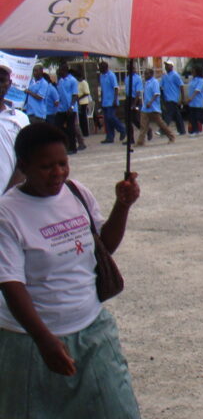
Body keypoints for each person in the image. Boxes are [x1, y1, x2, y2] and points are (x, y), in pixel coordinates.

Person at [0, 122, 141, 418]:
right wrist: (43, 339)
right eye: (46, 166)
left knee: (117, 409)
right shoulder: (7, 213)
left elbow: (103, 249)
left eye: (63, 163)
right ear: (24, 165)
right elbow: (11, 283)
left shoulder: (76, 193)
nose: (58, 173)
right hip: (29, 340)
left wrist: (122, 206)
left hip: (91, 329)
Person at [0, 61, 29, 191]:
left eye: (1, 80)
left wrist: (7, 199)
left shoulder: (20, 119)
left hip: (11, 201)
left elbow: (26, 160)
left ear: (9, 84)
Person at [136, 68, 175, 147]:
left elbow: (156, 93)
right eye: (144, 73)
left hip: (153, 107)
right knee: (143, 125)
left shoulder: (155, 82)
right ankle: (140, 141)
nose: (145, 75)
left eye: (146, 74)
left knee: (160, 123)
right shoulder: (146, 83)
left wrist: (150, 102)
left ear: (151, 74)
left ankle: (171, 136)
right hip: (145, 108)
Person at [55, 64, 82, 154]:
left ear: (65, 70)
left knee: (71, 129)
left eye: (60, 70)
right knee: (58, 127)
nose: (59, 72)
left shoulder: (72, 80)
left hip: (70, 108)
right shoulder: (60, 80)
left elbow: (75, 95)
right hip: (61, 108)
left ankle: (73, 148)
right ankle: (64, 146)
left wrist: (72, 106)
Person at [97, 62, 126, 144]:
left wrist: (115, 100)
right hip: (105, 101)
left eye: (100, 67)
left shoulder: (111, 75)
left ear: (105, 67)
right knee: (107, 120)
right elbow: (102, 90)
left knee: (111, 117)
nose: (99, 69)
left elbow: (116, 88)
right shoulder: (101, 76)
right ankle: (109, 137)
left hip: (111, 101)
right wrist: (101, 100)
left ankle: (122, 129)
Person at [160, 62, 186, 135]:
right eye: (165, 65)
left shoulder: (175, 75)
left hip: (173, 98)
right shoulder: (165, 76)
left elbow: (181, 85)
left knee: (168, 115)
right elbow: (160, 86)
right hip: (166, 98)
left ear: (171, 66)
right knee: (177, 115)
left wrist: (183, 97)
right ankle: (182, 130)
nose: (166, 67)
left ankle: (163, 130)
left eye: (167, 65)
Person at [186, 66, 203, 136]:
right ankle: (195, 130)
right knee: (192, 116)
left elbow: (197, 90)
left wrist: (191, 97)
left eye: (193, 71)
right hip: (192, 102)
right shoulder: (193, 79)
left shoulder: (201, 80)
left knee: (198, 116)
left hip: (198, 100)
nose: (192, 72)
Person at [73, 69, 91, 138]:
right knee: (80, 118)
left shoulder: (84, 82)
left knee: (83, 118)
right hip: (78, 102)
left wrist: (79, 98)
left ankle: (85, 132)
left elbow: (86, 93)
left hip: (83, 102)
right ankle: (82, 132)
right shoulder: (77, 83)